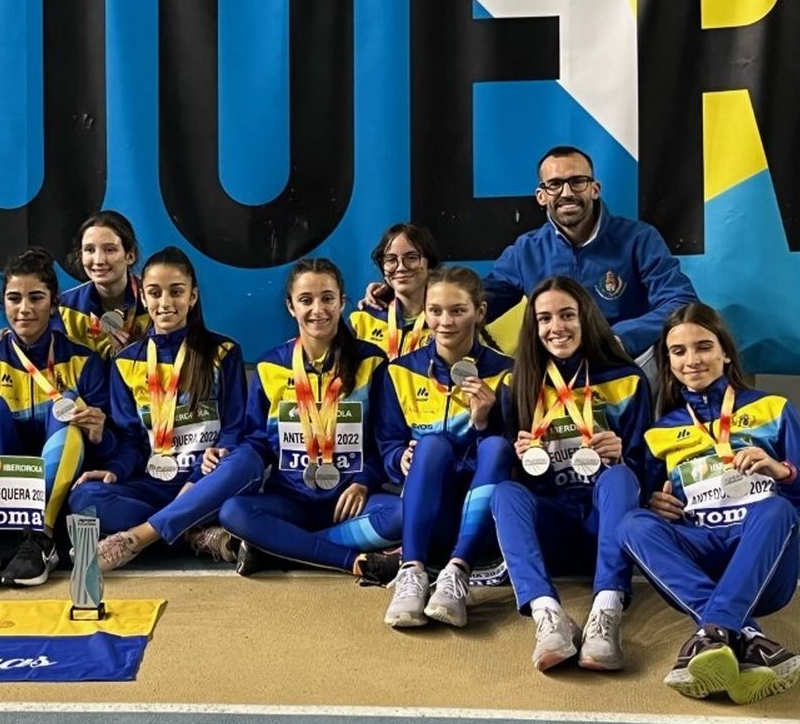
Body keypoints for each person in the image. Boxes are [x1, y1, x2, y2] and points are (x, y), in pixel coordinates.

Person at [615, 303, 800, 703]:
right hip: (698, 563)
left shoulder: (773, 409)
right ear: (668, 362)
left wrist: (783, 473)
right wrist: (655, 504)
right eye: (679, 351)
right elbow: (652, 502)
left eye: (703, 347)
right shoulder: (659, 432)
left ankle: (713, 630)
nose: (691, 360)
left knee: (777, 508)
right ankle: (744, 636)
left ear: (726, 353)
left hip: (763, 567)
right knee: (632, 524)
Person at [488, 275, 651, 673]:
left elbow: (647, 472)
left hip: (605, 530)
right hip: (553, 529)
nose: (555, 327)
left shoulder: (628, 380)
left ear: (586, 318)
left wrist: (623, 458)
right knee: (505, 492)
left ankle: (606, 613)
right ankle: (547, 616)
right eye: (544, 318)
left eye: (566, 315)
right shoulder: (517, 384)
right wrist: (518, 458)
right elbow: (511, 473)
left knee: (619, 478)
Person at [68, 247, 252, 570]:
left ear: (193, 296)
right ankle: (192, 533)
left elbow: (235, 427)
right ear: (144, 297)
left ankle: (141, 537)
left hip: (205, 481)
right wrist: (117, 470)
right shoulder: (126, 362)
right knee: (84, 498)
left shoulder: (224, 352)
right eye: (154, 293)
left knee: (247, 463)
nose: (165, 303)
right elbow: (130, 439)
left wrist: (202, 474)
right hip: (153, 485)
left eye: (176, 292)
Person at [218, 259, 402, 574]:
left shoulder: (371, 361)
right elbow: (257, 440)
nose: (318, 309)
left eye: (327, 298)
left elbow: (384, 441)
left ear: (342, 302)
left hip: (350, 500)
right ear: (291, 307)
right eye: (306, 300)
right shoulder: (270, 365)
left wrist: (363, 482)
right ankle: (347, 559)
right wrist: (228, 454)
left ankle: (280, 549)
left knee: (403, 514)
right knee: (233, 512)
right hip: (290, 500)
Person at [0, 248, 111, 588]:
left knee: (68, 403)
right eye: (14, 298)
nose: (24, 309)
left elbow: (110, 444)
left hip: (56, 496)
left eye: (36, 298)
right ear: (3, 303)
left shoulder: (84, 361)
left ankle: (42, 538)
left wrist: (100, 434)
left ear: (53, 304)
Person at [373, 267, 515, 629]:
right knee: (431, 446)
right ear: (424, 312)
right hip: (426, 516)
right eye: (435, 311)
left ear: (479, 312)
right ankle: (411, 572)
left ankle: (457, 575)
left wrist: (483, 421)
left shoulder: (507, 373)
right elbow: (388, 445)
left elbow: (514, 458)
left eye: (457, 311)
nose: (445, 322)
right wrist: (400, 458)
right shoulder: (399, 372)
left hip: (479, 522)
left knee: (497, 446)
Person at [483, 146, 697, 368]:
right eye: (555, 184)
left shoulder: (639, 239)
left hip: (629, 365)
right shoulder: (526, 250)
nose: (567, 193)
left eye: (577, 181)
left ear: (595, 189)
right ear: (541, 196)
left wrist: (619, 339)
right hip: (554, 372)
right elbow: (479, 304)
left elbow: (681, 302)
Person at [56, 211, 150, 357]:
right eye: (90, 250)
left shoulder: (153, 301)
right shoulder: (65, 307)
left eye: (109, 250)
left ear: (130, 255)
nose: (98, 260)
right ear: (81, 256)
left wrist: (135, 356)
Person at [350, 223, 441, 359]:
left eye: (411, 257)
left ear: (430, 264)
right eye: (391, 259)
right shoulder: (363, 319)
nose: (401, 267)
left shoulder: (444, 322)